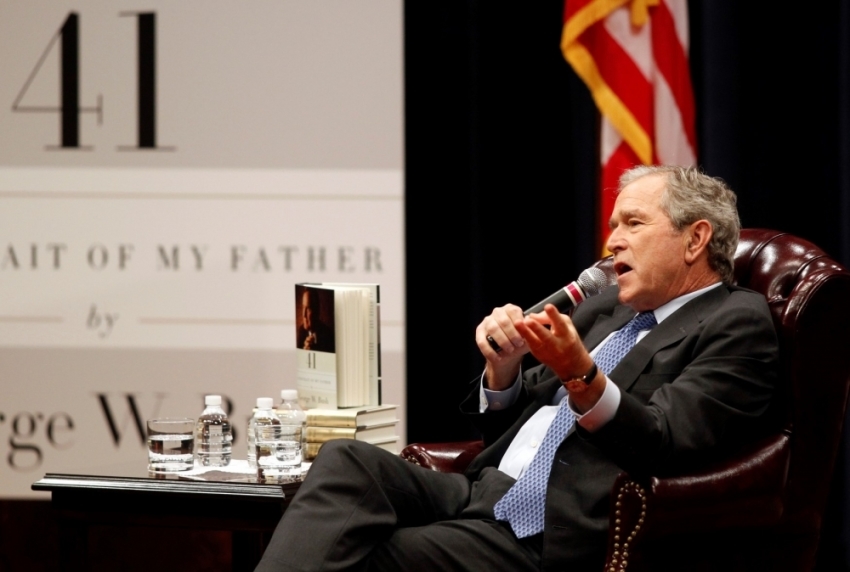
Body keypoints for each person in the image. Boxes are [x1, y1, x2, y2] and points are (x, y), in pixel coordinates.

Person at [256, 165, 779, 571]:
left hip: (547, 527)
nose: (612, 241)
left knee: (359, 554)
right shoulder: (605, 309)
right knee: (348, 460)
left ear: (695, 239)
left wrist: (583, 377)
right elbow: (515, 422)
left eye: (633, 224)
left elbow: (664, 438)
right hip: (482, 488)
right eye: (613, 224)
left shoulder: (736, 321)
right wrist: (502, 371)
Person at [296, 287, 335, 352]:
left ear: (316, 311)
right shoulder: (301, 332)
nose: (304, 314)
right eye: (303, 307)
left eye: (308, 308)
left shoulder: (328, 336)